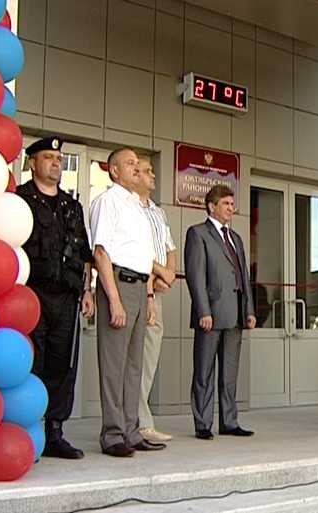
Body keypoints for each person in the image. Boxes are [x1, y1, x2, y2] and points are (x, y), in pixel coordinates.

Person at [17, 136, 94, 459]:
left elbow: (84, 253)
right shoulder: (19, 200)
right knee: (30, 362)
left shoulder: (71, 205)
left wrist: (87, 291)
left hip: (66, 296)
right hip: (30, 294)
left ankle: (54, 432)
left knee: (61, 365)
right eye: (48, 157)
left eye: (59, 159)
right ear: (32, 162)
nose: (55, 163)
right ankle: (25, 431)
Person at [90, 148, 165, 457]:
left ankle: (132, 430)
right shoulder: (108, 202)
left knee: (134, 366)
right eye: (130, 164)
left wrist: (148, 296)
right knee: (114, 365)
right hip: (117, 285)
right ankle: (112, 434)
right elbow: (101, 253)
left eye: (138, 164)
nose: (137, 168)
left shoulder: (138, 207)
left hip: (138, 286)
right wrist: (114, 299)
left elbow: (143, 258)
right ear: (114, 171)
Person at [184, 184, 256, 440]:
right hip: (210, 315)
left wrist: (249, 309)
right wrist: (203, 310)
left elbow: (243, 277)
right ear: (211, 206)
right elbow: (195, 276)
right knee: (204, 371)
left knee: (230, 372)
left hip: (235, 314)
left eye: (231, 203)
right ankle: (203, 423)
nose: (230, 208)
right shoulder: (198, 234)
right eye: (225, 203)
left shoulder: (236, 238)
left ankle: (229, 421)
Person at [135, 157, 177, 443]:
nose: (153, 176)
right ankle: (139, 422)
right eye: (147, 171)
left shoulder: (159, 213)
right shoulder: (127, 209)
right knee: (133, 360)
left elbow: (169, 247)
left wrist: (168, 273)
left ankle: (141, 418)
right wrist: (160, 272)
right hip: (136, 286)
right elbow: (135, 251)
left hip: (157, 289)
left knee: (149, 358)